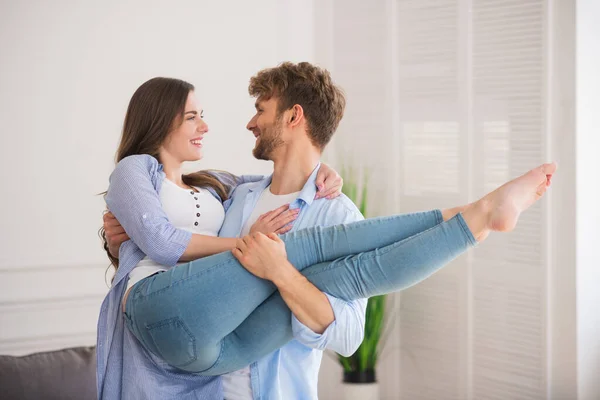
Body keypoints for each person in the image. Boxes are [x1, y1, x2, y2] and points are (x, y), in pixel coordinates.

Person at [99, 64, 556, 400]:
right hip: (205, 386)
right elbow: (168, 227)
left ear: (293, 117)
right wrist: (120, 237)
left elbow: (349, 335)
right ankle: (470, 216)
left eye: (261, 109)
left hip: (267, 387)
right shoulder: (233, 196)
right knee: (317, 257)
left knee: (328, 267)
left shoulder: (336, 211)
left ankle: (474, 219)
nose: (249, 122)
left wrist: (280, 272)